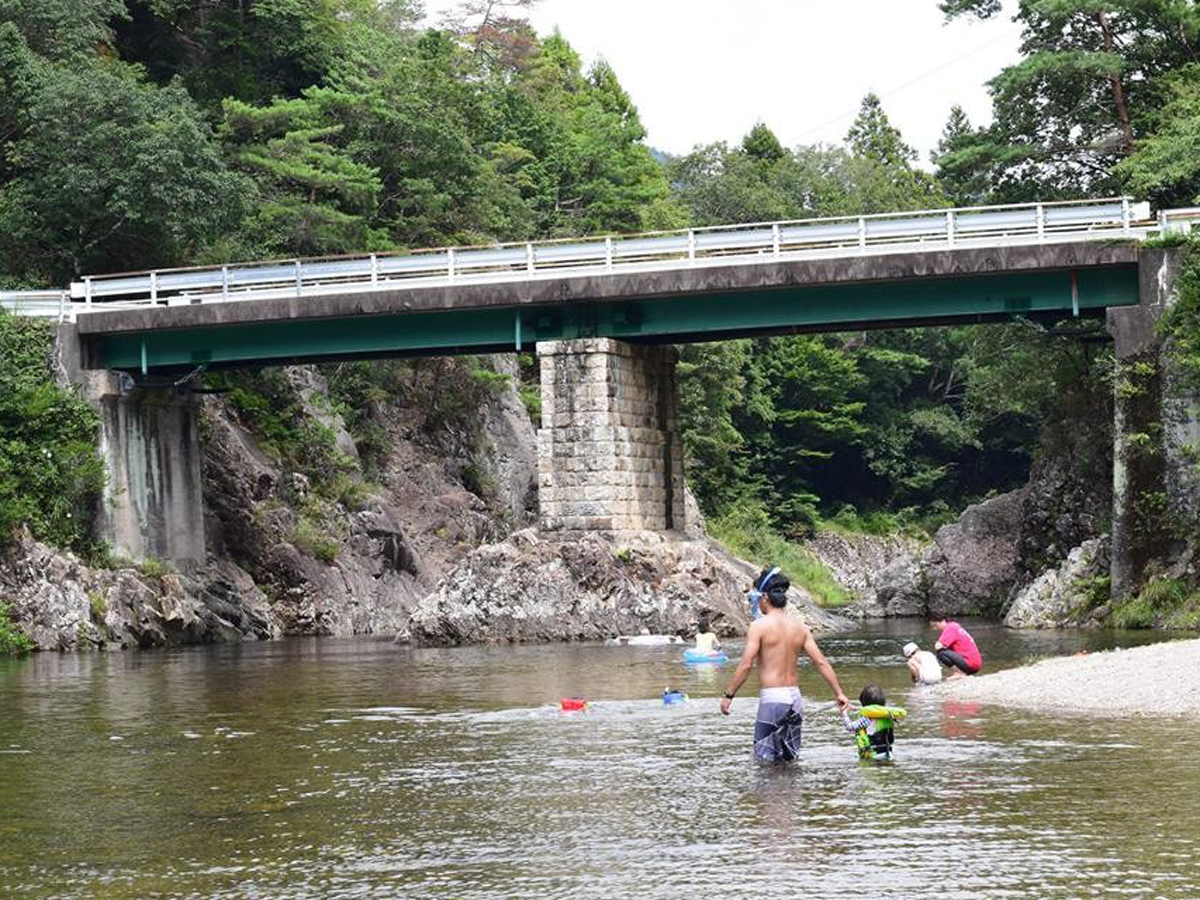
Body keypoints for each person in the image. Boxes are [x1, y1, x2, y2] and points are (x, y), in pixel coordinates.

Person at [720, 569, 850, 763]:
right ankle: (792, 793)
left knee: (765, 762)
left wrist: (729, 695)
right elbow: (820, 662)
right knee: (790, 759)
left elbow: (746, 664)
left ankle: (772, 794)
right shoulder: (800, 627)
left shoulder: (759, 626)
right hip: (795, 699)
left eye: (755, 597)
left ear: (764, 597)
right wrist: (839, 693)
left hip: (773, 699)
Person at [841, 685, 906, 762]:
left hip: (873, 756)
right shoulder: (888, 716)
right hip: (888, 754)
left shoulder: (867, 719)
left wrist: (844, 713)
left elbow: (850, 727)